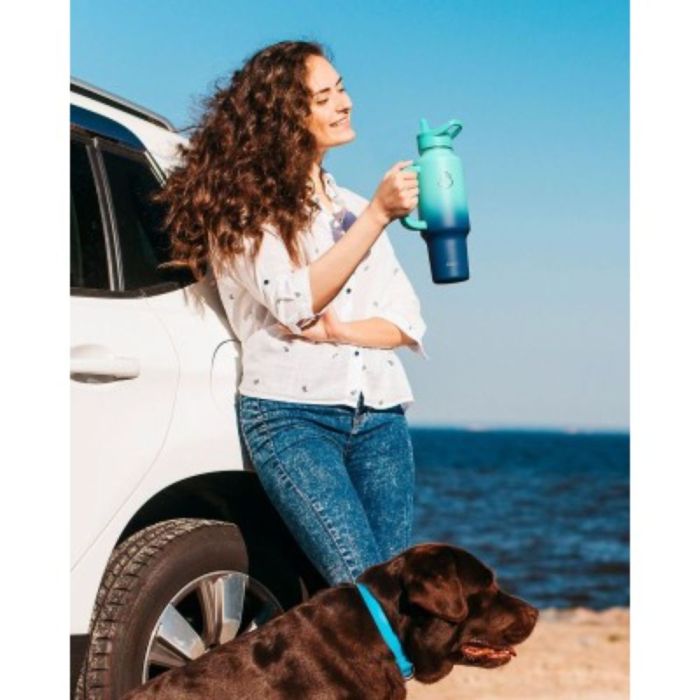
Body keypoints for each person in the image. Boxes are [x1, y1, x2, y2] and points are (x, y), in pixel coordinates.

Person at [155, 40, 427, 585]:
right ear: (284, 117)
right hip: (293, 415)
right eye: (323, 98)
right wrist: (378, 216)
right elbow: (295, 301)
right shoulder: (244, 208)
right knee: (362, 591)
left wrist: (339, 330)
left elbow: (404, 323)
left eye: (340, 89)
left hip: (380, 415)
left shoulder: (350, 206)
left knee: (394, 593)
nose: (344, 104)